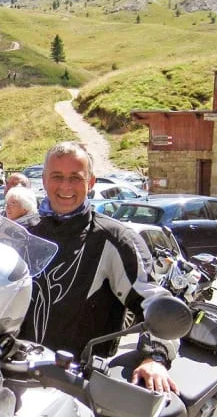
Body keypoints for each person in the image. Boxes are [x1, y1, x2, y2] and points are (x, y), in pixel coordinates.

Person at [20, 141, 178, 393]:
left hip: (80, 387)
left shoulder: (114, 239)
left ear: (91, 182)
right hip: (15, 377)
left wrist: (155, 357)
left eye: (76, 177)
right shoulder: (21, 232)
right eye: (57, 176)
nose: (65, 186)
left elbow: (154, 302)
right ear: (43, 179)